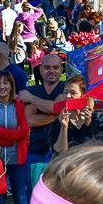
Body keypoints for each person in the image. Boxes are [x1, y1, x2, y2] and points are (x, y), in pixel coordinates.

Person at [0, 69, 31, 204]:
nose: (2, 86)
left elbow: (24, 132)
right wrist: (11, 136)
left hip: (16, 157)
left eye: (6, 83)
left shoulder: (20, 105)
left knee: (20, 195)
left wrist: (0, 133)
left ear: (12, 86)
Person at [19, 52, 67, 181]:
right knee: (34, 192)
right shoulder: (32, 90)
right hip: (36, 149)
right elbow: (30, 120)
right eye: (47, 67)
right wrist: (56, 113)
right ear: (40, 69)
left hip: (62, 150)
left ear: (61, 69)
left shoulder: (66, 89)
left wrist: (32, 100)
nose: (51, 71)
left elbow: (56, 107)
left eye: (55, 67)